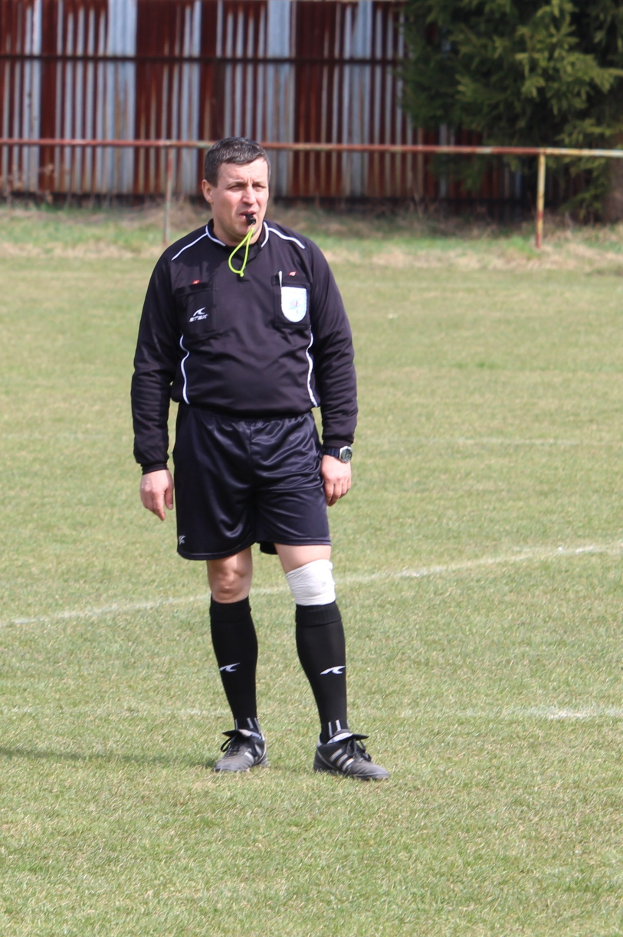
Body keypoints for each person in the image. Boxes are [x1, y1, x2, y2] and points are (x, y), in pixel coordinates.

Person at [131, 137, 388, 780]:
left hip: (290, 441)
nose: (251, 198)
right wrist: (152, 461)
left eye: (260, 186)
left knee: (313, 580)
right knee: (228, 582)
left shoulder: (301, 257)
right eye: (238, 186)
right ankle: (245, 734)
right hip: (209, 444)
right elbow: (151, 369)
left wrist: (339, 445)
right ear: (209, 191)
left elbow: (335, 353)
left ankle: (336, 738)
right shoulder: (178, 265)